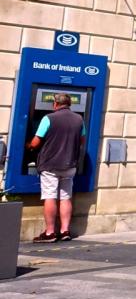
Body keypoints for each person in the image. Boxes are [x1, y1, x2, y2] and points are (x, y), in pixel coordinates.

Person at [28, 93, 83, 242]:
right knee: (65, 197)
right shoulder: (79, 119)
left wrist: (28, 146)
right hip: (70, 164)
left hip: (50, 164)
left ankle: (50, 232)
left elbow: (35, 143)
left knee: (50, 196)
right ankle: (65, 231)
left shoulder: (48, 118)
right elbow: (82, 140)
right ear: (69, 104)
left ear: (55, 104)